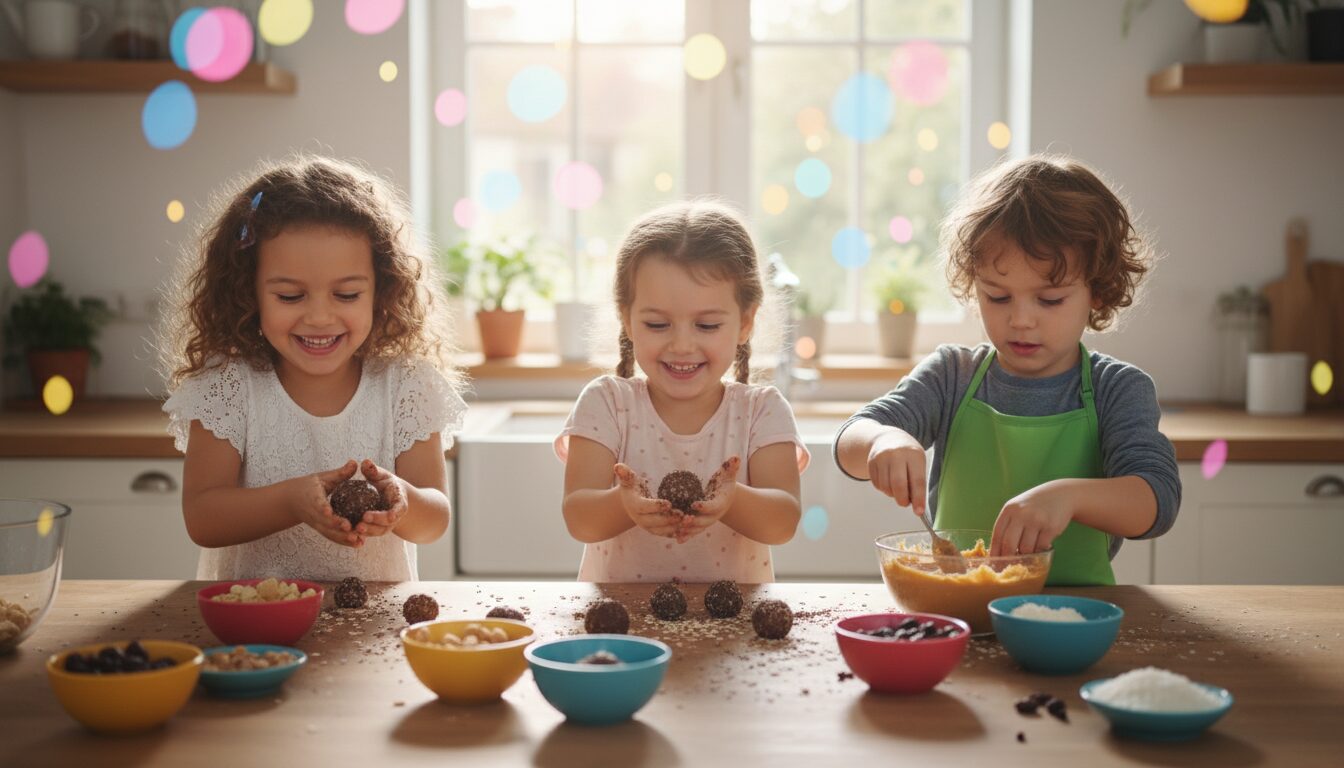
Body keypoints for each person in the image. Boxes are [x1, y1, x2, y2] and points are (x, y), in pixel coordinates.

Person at [834, 155, 1180, 585]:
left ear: (1098, 290)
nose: (1020, 320)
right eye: (997, 297)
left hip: (1075, 618)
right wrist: (882, 440)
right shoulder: (952, 375)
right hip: (960, 614)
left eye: (1049, 300)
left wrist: (1068, 497)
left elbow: (1157, 499)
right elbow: (851, 439)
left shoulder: (1117, 389)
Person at [159, 155, 466, 581]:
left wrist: (402, 502)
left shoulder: (405, 384)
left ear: (381, 292)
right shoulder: (228, 384)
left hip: (372, 631)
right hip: (254, 628)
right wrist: (291, 502)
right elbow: (203, 518)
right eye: (289, 297)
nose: (320, 318)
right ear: (247, 293)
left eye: (346, 295)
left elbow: (435, 520)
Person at [556, 201, 810, 583]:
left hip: (734, 627)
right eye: (657, 324)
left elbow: (783, 522)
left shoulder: (762, 411)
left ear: (745, 322)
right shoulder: (606, 403)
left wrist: (731, 500)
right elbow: (579, 518)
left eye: (707, 325)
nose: (682, 345)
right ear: (626, 319)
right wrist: (623, 505)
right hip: (624, 628)